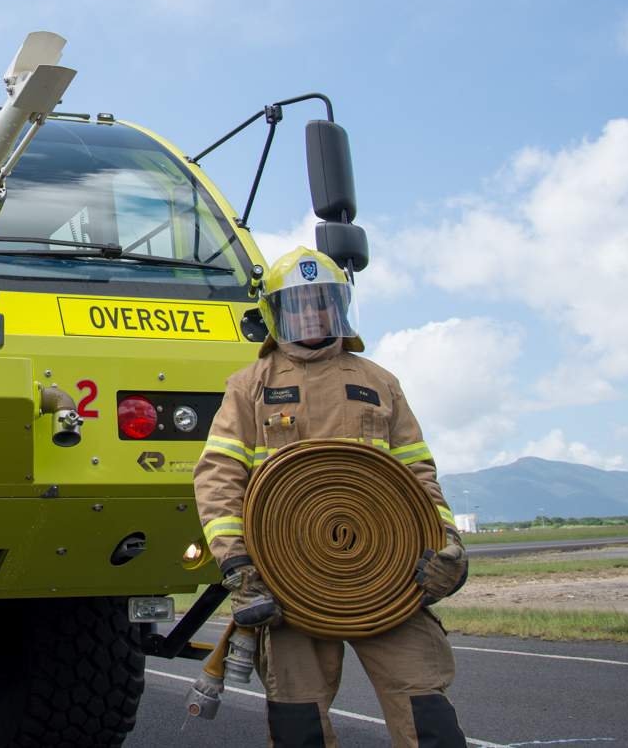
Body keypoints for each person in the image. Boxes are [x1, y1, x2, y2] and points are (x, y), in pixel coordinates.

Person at [193, 247, 469, 748]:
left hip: (388, 578)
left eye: (323, 302)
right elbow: (218, 478)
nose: (313, 313)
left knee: (427, 711)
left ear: (339, 306)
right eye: (299, 304)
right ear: (277, 314)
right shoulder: (250, 387)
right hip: (291, 583)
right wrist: (237, 564)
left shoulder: (379, 383)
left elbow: (418, 475)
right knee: (299, 724)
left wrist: (448, 544)